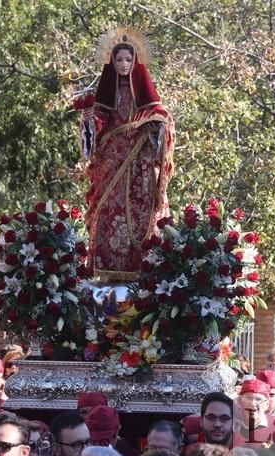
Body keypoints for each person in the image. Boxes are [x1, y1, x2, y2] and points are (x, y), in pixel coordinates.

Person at [81, 27, 175, 281]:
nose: (123, 64)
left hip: (140, 161)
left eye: (128, 59)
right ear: (112, 62)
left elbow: (161, 118)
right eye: (119, 59)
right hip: (112, 159)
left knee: (141, 210)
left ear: (135, 61)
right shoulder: (106, 92)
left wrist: (158, 126)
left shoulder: (147, 93)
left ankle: (142, 267)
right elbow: (99, 120)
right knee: (108, 207)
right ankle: (109, 268)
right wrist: (90, 121)